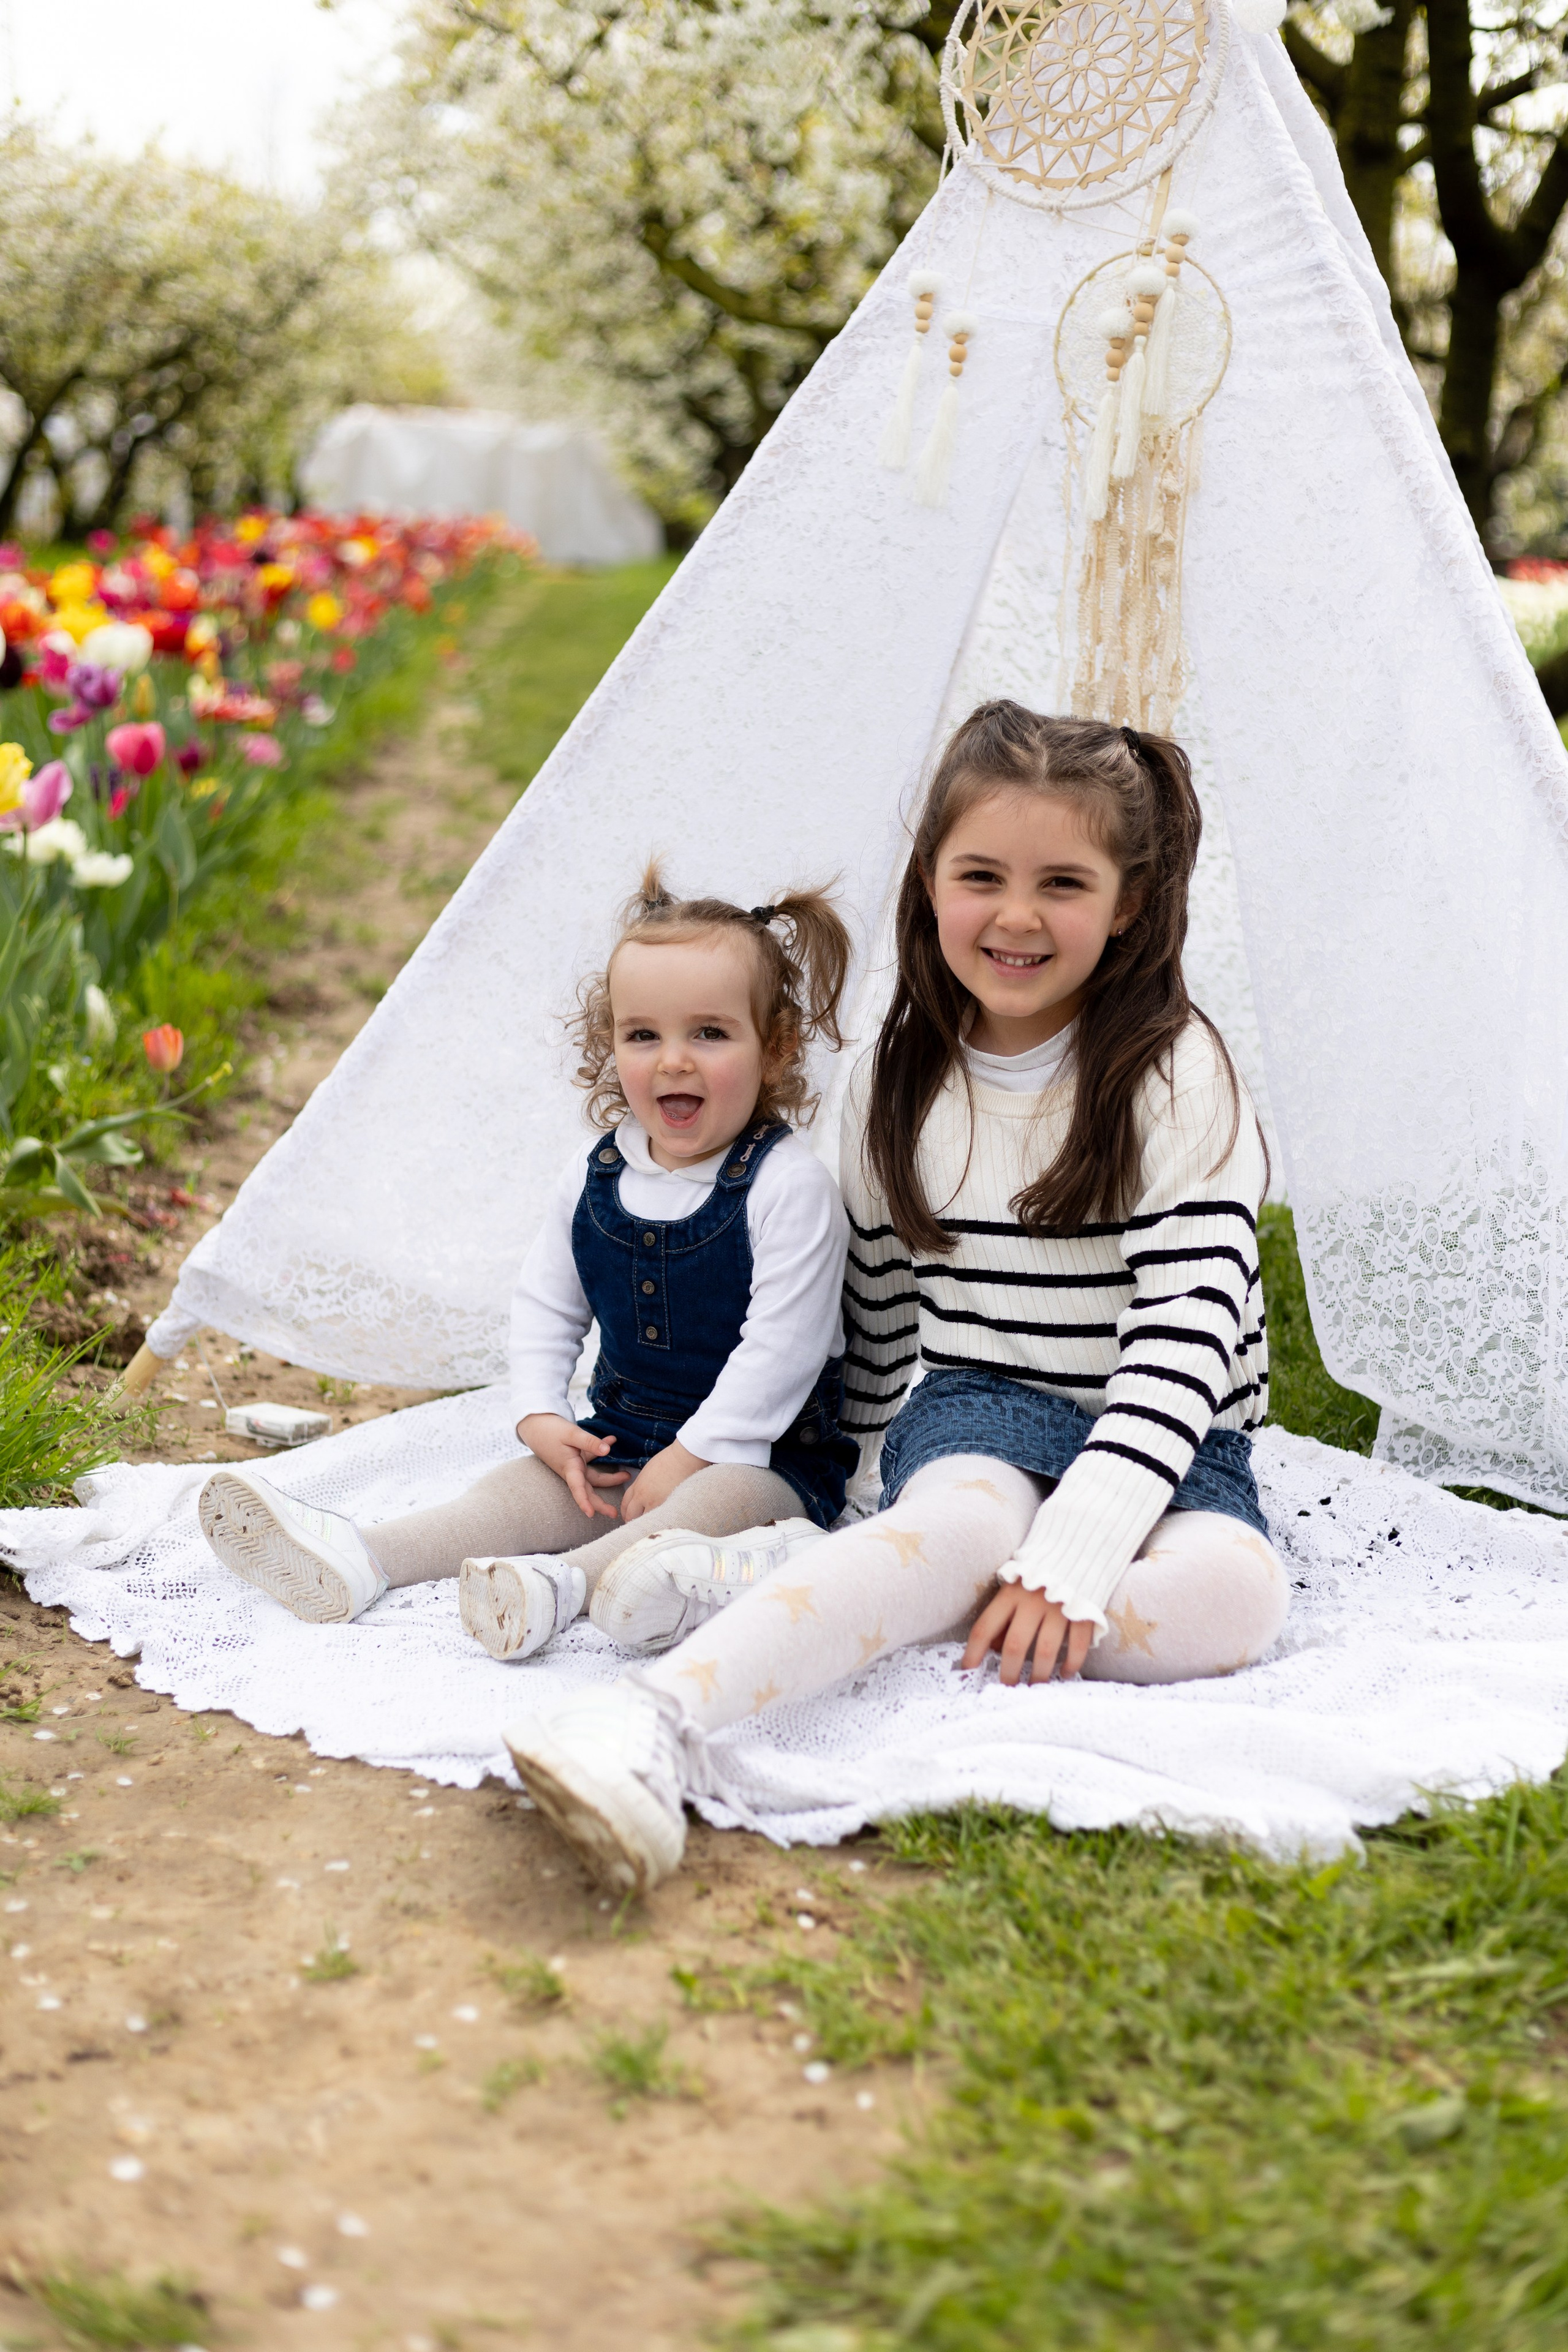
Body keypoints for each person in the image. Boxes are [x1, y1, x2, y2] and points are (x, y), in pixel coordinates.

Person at [503, 703, 1289, 1892]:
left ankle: (792, 1586)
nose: (1015, 916)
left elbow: (1185, 1341)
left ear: (1125, 903)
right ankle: (650, 1721)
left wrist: (1075, 1551)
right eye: (980, 875)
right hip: (985, 1405)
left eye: (1061, 883)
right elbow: (875, 1297)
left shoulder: (1172, 1075)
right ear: (928, 882)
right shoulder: (899, 1070)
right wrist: (861, 1479)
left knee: (1235, 1601)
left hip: (1171, 1438)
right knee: (960, 1522)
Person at [196, 869, 858, 1661]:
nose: (673, 1061)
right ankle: (365, 1555)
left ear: (774, 1045)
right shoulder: (597, 1172)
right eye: (643, 1035)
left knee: (717, 1501)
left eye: (709, 1034)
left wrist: (691, 1456)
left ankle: (563, 1588)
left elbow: (781, 1352)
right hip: (625, 1435)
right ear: (610, 1042)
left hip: (766, 1458)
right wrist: (542, 1413)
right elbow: (548, 1304)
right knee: (520, 1492)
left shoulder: (789, 1186)